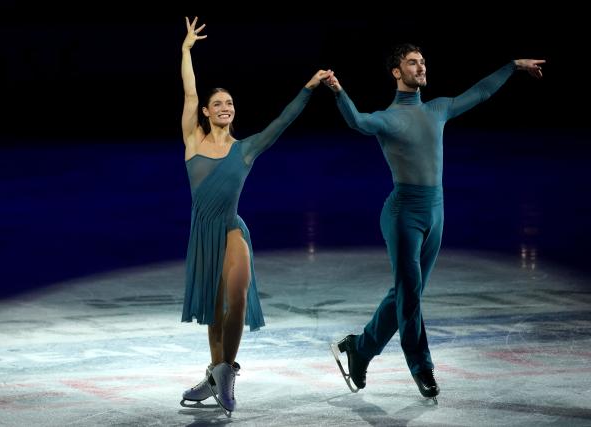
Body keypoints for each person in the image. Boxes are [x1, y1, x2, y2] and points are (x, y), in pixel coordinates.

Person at [325, 43, 544, 402]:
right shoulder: (387, 118)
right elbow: (358, 122)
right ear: (397, 72)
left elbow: (480, 92)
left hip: (436, 212)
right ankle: (420, 366)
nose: (421, 66)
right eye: (413, 62)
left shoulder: (438, 109)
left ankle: (360, 349)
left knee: (406, 294)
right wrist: (338, 92)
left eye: (423, 61)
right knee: (410, 294)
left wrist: (513, 65)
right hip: (402, 215)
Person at [179, 16, 331, 415]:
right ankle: (215, 373)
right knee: (213, 312)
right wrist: (186, 51)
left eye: (229, 103)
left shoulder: (244, 149)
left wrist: (308, 88)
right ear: (207, 113)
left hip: (231, 230)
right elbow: (190, 94)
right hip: (202, 233)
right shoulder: (192, 141)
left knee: (236, 297)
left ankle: (227, 371)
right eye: (218, 104)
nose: (225, 107)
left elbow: (281, 122)